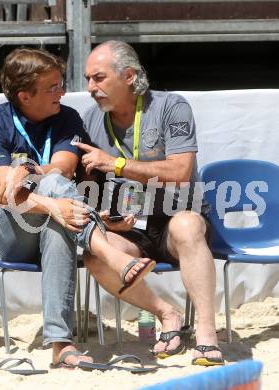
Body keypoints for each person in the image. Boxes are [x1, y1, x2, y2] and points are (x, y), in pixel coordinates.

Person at [0, 47, 155, 368]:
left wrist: (26, 170)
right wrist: (49, 200)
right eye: (53, 87)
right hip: (3, 235)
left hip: (52, 223)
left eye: (61, 84)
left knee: (61, 216)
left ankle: (61, 345)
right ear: (25, 96)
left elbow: (63, 169)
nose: (63, 92)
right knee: (59, 202)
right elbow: (6, 194)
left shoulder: (67, 117)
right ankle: (112, 255)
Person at [75, 40, 224, 366]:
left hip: (175, 217)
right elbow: (88, 186)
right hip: (130, 227)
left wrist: (115, 164)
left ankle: (206, 335)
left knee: (186, 226)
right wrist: (105, 215)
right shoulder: (90, 119)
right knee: (96, 254)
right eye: (88, 79)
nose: (90, 87)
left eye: (98, 78)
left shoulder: (172, 106)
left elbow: (181, 171)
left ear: (129, 75)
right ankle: (167, 316)